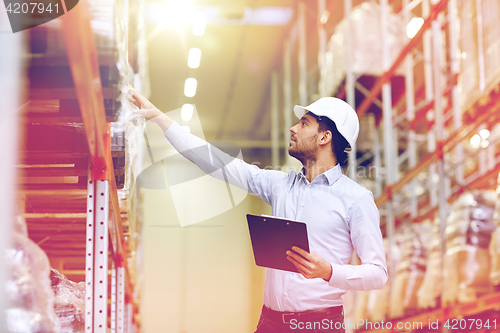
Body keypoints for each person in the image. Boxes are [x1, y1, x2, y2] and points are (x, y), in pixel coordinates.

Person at [129, 86, 388, 333]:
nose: (293, 128)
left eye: (304, 123)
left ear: (324, 137)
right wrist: (161, 119)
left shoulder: (356, 199)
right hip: (270, 321)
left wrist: (329, 271)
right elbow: (219, 163)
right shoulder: (280, 185)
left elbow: (378, 273)